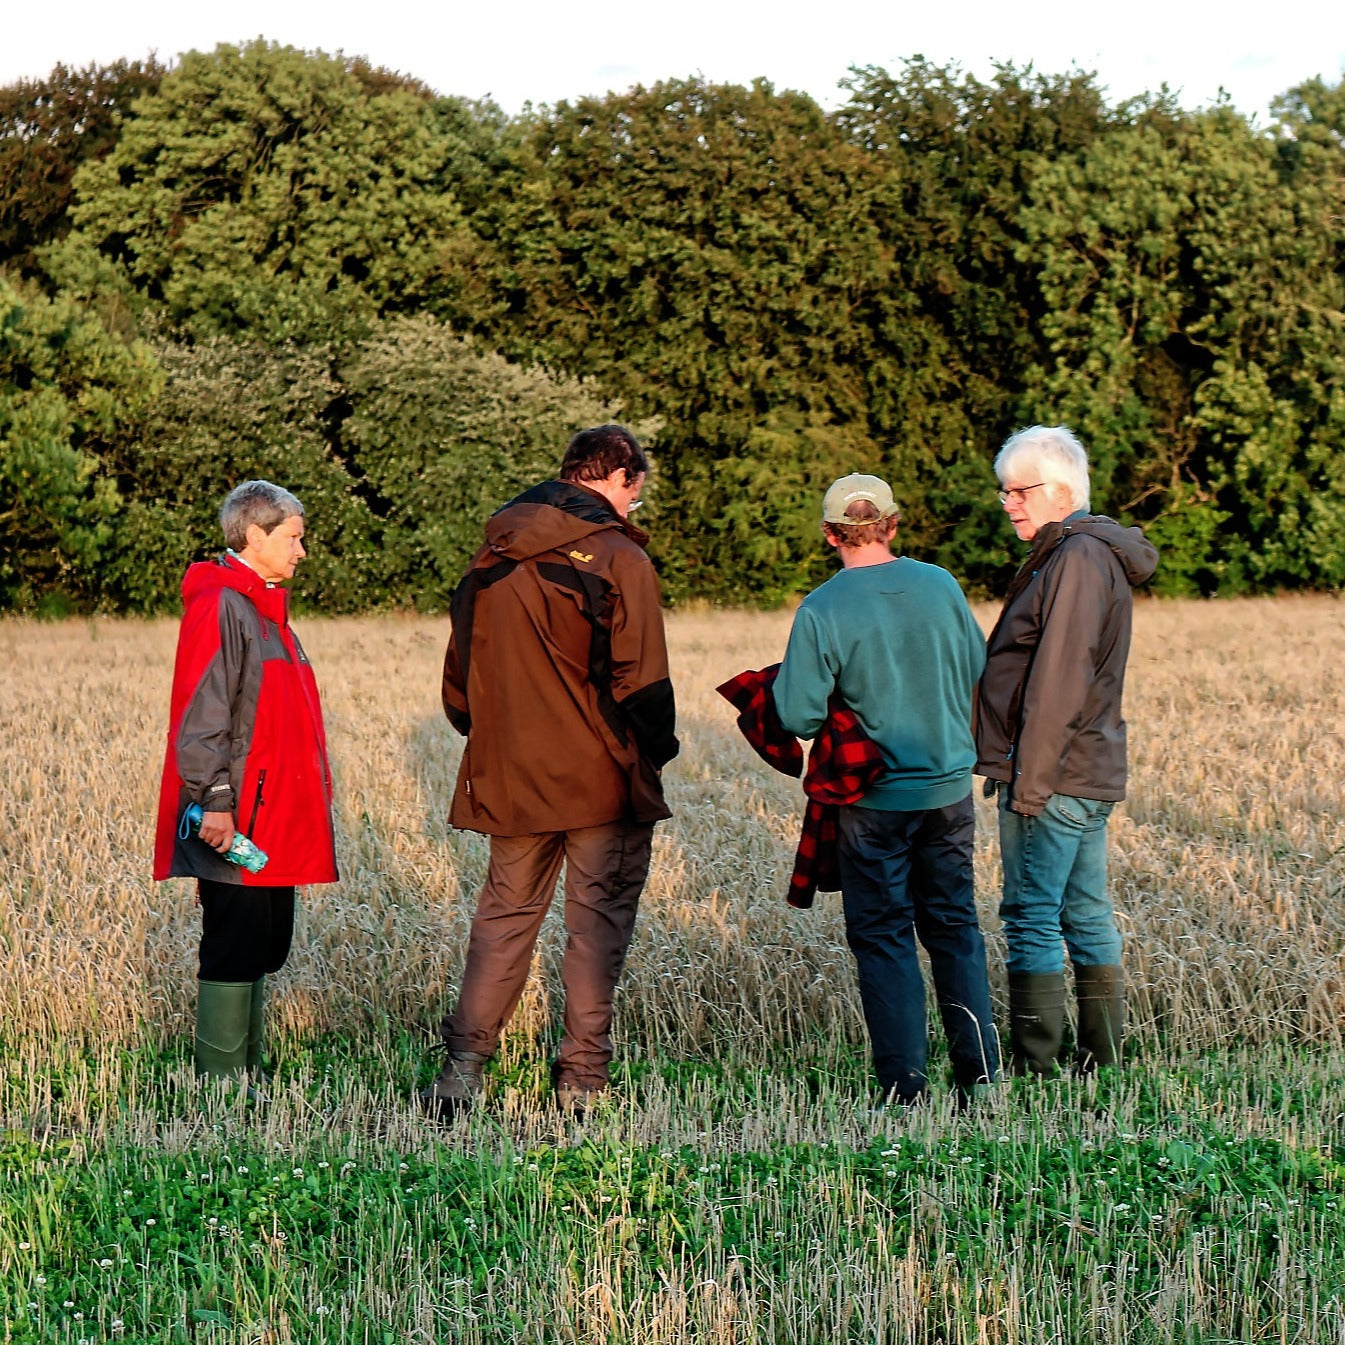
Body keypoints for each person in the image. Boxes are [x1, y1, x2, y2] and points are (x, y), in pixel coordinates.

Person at [423, 424, 679, 1120]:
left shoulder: (489, 555)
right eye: (636, 491)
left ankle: (460, 1072)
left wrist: (502, 740)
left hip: (509, 776)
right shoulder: (619, 557)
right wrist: (656, 750)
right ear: (619, 474)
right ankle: (581, 1084)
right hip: (600, 778)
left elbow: (458, 688)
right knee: (595, 926)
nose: (634, 507)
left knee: (502, 918)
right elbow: (644, 682)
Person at [773, 473, 998, 1107]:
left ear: (829, 535)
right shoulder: (943, 586)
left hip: (871, 803)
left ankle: (906, 1089)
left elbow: (796, 717)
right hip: (949, 791)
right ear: (894, 525)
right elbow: (978, 670)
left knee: (884, 935)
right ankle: (980, 1077)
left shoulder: (821, 608)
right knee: (955, 927)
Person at [974, 425, 1158, 1075]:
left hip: (1055, 775)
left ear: (1056, 491)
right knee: (1081, 911)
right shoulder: (1078, 552)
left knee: (1029, 914)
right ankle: (1098, 1063)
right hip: (1081, 770)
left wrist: (1028, 783)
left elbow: (1057, 681)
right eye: (1003, 492)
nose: (1007, 503)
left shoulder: (1075, 560)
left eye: (1016, 491)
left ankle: (1037, 1065)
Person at [153, 480, 338, 1085]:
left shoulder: (265, 610)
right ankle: (222, 1085)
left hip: (275, 812)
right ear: (254, 535)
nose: (301, 551)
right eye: (293, 538)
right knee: (234, 940)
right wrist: (213, 803)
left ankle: (247, 1072)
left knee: (266, 941)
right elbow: (202, 716)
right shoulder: (221, 606)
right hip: (234, 812)